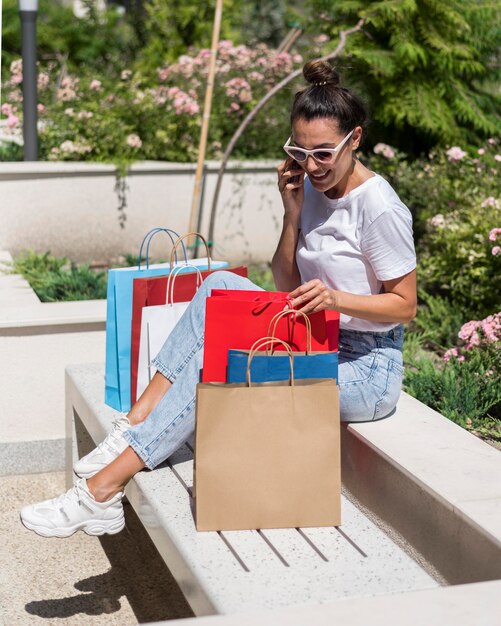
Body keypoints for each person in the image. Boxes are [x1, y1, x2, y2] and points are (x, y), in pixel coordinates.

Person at [20, 60, 416, 538]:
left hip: (368, 368)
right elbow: (285, 280)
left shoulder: (380, 209)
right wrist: (292, 215)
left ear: (355, 139)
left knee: (221, 362)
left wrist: (336, 299)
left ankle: (102, 492)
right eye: (299, 151)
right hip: (315, 336)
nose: (310, 166)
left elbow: (405, 305)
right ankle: (135, 422)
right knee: (218, 287)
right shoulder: (309, 190)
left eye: (324, 154)